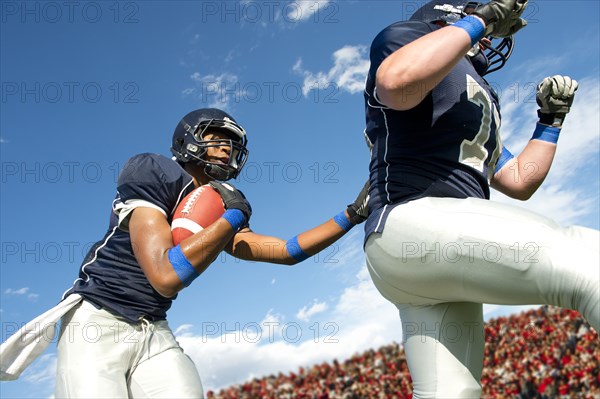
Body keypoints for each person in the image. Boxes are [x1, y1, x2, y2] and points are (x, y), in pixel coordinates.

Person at [0, 108, 368, 397]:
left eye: (231, 143)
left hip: (152, 329)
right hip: (97, 321)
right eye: (217, 137)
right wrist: (234, 216)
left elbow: (286, 251)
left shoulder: (218, 204)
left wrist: (350, 215)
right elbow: (164, 276)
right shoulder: (154, 169)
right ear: (189, 140)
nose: (226, 147)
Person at [361, 0, 599, 397]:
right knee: (589, 258)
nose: (489, 41)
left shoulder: (474, 88)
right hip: (414, 219)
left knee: (452, 392)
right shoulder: (408, 37)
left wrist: (549, 122)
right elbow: (397, 81)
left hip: (423, 252)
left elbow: (519, 180)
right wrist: (481, 19)